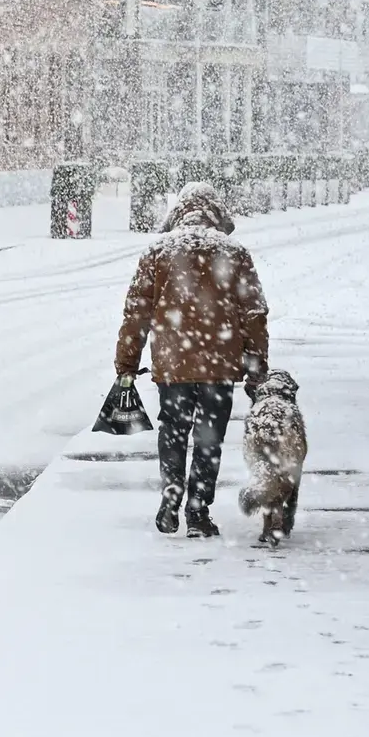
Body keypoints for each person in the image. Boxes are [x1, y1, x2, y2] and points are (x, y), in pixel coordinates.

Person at [116, 182, 270, 538]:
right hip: (219, 363)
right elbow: (254, 314)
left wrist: (126, 362)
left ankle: (172, 489)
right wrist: (256, 365)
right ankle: (198, 512)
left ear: (178, 213)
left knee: (173, 427)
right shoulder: (233, 252)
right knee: (208, 437)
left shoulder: (157, 252)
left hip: (173, 365)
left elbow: (136, 314)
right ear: (217, 214)